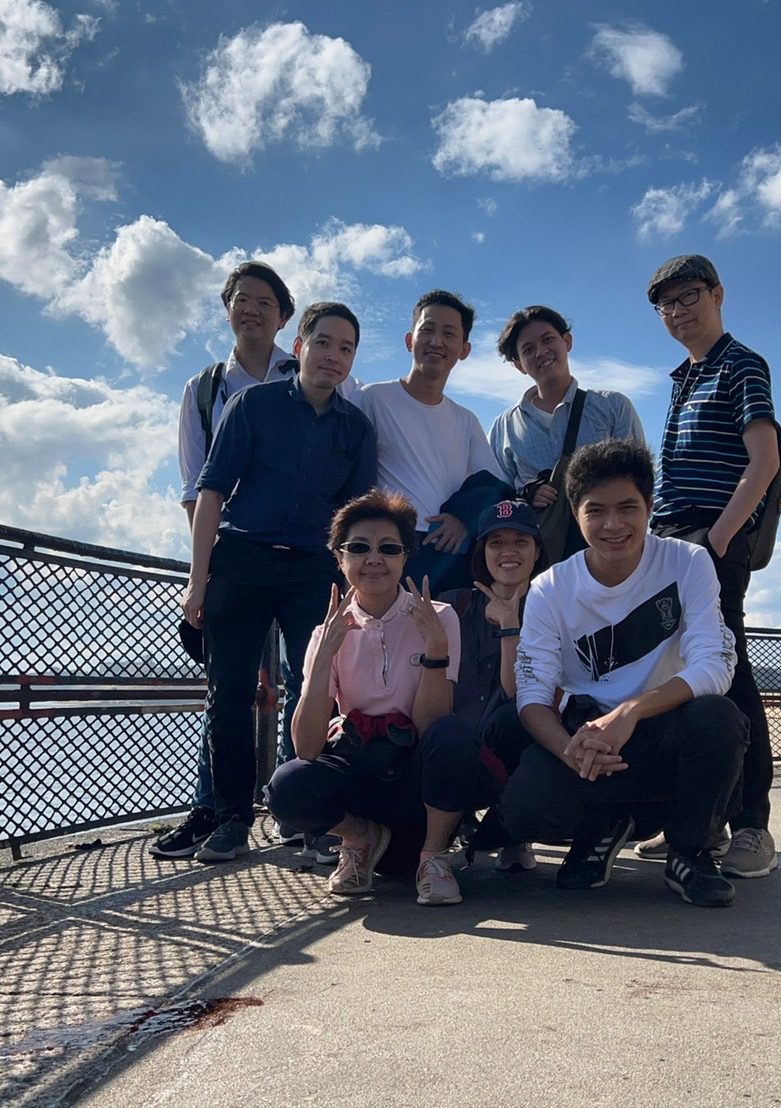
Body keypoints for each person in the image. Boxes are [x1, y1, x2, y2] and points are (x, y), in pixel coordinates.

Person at [154, 302, 376, 864]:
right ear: (298, 348)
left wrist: (350, 591)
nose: (334, 356)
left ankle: (306, 816)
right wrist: (196, 581)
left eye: (347, 348)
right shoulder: (252, 404)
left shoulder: (356, 427)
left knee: (314, 693)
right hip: (242, 558)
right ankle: (230, 819)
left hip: (311, 570)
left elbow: (354, 520)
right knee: (226, 696)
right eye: (324, 343)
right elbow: (210, 493)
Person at [501, 439, 749, 907]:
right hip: (588, 733)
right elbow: (531, 694)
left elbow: (716, 664)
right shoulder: (550, 588)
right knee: (524, 809)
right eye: (596, 510)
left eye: (627, 508)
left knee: (719, 718)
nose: (613, 525)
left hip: (665, 725)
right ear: (576, 513)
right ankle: (604, 825)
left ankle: (689, 851)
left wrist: (632, 713)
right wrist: (570, 750)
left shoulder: (687, 562)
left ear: (650, 507)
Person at [264, 491, 492, 906]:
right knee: (287, 787)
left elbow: (431, 727)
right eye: (359, 547)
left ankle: (434, 857)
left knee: (453, 736)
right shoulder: (325, 632)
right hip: (360, 767)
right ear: (339, 557)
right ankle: (362, 840)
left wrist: (435, 652)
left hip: (416, 787)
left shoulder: (438, 617)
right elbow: (307, 747)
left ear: (405, 557)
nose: (374, 558)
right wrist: (323, 661)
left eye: (389, 548)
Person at [638, 253, 781, 881]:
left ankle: (753, 825)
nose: (677, 311)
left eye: (688, 296)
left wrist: (718, 539)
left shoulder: (741, 364)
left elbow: (764, 459)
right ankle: (702, 817)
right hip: (669, 535)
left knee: (730, 671)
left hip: (709, 537)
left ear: (718, 294)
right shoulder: (680, 377)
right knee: (678, 669)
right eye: (666, 303)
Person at [168, 261, 299, 853]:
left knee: (306, 678)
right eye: (240, 299)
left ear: (283, 315)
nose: (251, 309)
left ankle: (295, 803)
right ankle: (218, 810)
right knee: (229, 685)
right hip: (233, 552)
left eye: (264, 302)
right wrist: (203, 571)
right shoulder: (203, 390)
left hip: (299, 552)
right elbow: (196, 487)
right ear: (226, 308)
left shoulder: (307, 374)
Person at [359, 290, 509, 593]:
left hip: (446, 551)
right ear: (409, 340)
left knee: (445, 640)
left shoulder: (466, 420)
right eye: (427, 330)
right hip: (387, 550)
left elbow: (495, 484)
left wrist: (463, 518)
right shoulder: (373, 399)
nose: (436, 342)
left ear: (464, 349)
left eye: (449, 334)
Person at [438, 499, 550, 872]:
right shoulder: (452, 606)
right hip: (452, 751)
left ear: (537, 551)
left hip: (508, 748)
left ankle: (515, 832)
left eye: (520, 540)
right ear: (481, 552)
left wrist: (509, 628)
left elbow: (522, 695)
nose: (508, 551)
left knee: (513, 719)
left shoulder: (554, 610)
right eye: (496, 542)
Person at [488, 306, 647, 560]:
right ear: (518, 365)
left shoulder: (613, 407)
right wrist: (527, 495)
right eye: (528, 349)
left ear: (567, 341)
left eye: (548, 340)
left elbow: (641, 482)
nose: (541, 352)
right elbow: (499, 500)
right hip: (538, 560)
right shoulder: (504, 427)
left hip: (608, 550)